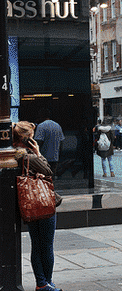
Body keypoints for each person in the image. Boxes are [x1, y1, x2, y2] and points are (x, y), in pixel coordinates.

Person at [14, 121, 62, 291]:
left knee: (36, 244)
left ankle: (41, 282)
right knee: (47, 245)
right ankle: (45, 282)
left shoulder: (12, 156)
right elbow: (48, 170)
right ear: (27, 140)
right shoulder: (30, 157)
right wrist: (38, 153)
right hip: (42, 203)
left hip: (28, 205)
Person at [34, 111, 64, 177]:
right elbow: (61, 141)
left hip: (44, 156)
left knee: (44, 176)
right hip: (55, 156)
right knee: (52, 175)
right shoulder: (57, 125)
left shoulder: (41, 126)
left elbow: (39, 141)